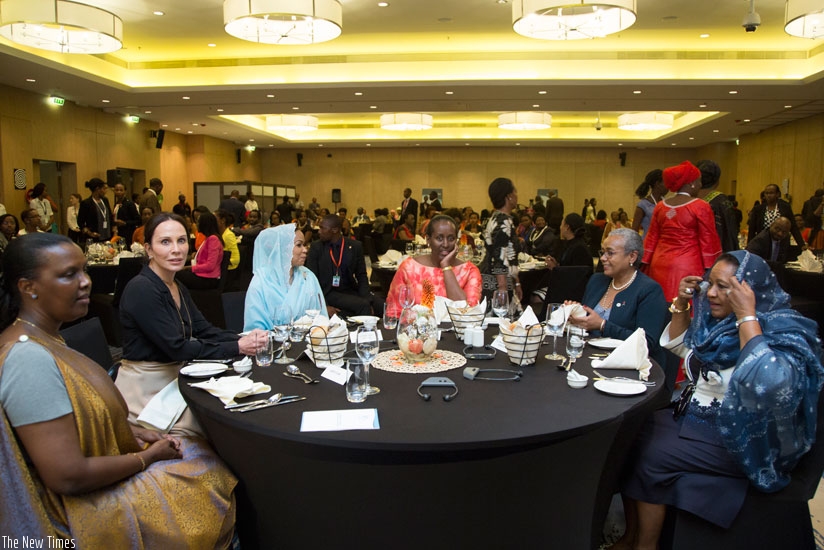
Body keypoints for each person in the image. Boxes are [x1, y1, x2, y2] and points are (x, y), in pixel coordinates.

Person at [0, 233, 237, 546]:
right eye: (69, 275)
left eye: (84, 271)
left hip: (92, 479)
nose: (86, 282)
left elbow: (73, 417)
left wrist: (133, 432)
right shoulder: (27, 358)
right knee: (208, 472)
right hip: (73, 515)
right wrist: (147, 458)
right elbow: (67, 476)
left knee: (198, 449)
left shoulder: (45, 339)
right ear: (28, 287)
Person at [616, 251, 823, 549]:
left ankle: (645, 545)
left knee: (652, 454)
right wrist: (682, 305)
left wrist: (746, 316)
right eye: (709, 283)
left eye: (724, 286)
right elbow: (684, 350)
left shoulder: (783, 330)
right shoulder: (721, 326)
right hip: (704, 419)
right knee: (631, 430)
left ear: (750, 290)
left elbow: (769, 383)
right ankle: (632, 536)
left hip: (748, 440)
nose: (710, 293)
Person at [117, 213, 267, 437]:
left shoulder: (175, 285)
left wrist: (242, 339)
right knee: (221, 424)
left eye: (181, 240)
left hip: (174, 376)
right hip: (146, 388)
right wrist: (238, 347)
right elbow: (177, 347)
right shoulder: (142, 289)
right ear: (148, 249)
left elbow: (204, 329)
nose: (176, 249)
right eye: (165, 242)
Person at [567, 229, 671, 386]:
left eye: (610, 253)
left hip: (630, 372)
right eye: (602, 252)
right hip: (592, 362)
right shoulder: (597, 281)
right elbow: (587, 324)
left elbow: (646, 343)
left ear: (632, 256)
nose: (602, 258)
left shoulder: (649, 291)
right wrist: (575, 314)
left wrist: (603, 325)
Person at [642, 161, 721, 302]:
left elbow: (652, 237)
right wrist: (713, 266)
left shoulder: (660, 206)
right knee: (685, 304)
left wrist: (645, 261)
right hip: (688, 264)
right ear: (691, 183)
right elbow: (708, 240)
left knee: (661, 303)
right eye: (699, 181)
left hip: (659, 263)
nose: (700, 185)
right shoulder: (700, 206)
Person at [386, 214, 482, 314]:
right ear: (428, 240)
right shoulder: (409, 268)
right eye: (439, 238)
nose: (445, 244)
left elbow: (467, 313)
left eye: (451, 239)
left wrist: (446, 267)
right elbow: (394, 311)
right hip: (415, 328)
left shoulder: (469, 271)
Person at [244, 225, 327, 330]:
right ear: (282, 248)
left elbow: (320, 317)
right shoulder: (261, 282)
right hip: (271, 342)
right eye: (299, 245)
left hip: (306, 341)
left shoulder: (308, 276)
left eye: (304, 245)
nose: (305, 250)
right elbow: (256, 329)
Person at [306, 214, 377, 317]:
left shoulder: (355, 246)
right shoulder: (316, 247)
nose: (319, 231)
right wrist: (323, 306)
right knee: (363, 306)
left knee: (381, 306)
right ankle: (365, 331)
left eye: (322, 228)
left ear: (334, 230)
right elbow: (312, 280)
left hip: (350, 290)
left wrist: (368, 298)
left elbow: (361, 275)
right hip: (328, 292)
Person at [480, 177, 522, 308]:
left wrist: (516, 282)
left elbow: (509, 256)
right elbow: (500, 256)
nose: (517, 195)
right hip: (497, 283)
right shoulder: (502, 221)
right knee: (501, 321)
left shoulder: (496, 218)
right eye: (515, 191)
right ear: (509, 196)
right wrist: (502, 289)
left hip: (498, 279)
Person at [697, 159, 739, 252]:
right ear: (717, 181)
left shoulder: (687, 201)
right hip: (716, 258)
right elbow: (730, 235)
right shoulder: (722, 202)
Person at [747, 183, 805, 248]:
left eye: (771, 193)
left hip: (781, 242)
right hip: (763, 243)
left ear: (777, 194)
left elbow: (793, 227)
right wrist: (749, 245)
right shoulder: (758, 209)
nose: (768, 195)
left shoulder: (785, 207)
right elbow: (752, 229)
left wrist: (801, 244)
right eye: (766, 193)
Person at [176, 212, 224, 290]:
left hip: (208, 279)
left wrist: (189, 268)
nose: (196, 224)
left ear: (205, 224)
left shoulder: (213, 239)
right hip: (203, 275)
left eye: (198, 222)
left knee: (175, 274)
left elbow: (210, 266)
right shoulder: (208, 238)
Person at [632, 169, 666, 238]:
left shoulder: (667, 203)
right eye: (665, 182)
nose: (668, 186)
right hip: (648, 245)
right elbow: (634, 231)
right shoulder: (643, 205)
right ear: (657, 184)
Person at [77, 177, 112, 242]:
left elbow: (110, 216)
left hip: (108, 236)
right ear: (97, 189)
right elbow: (80, 222)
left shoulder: (105, 200)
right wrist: (90, 233)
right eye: (103, 189)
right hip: (95, 237)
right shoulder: (86, 203)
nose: (105, 191)